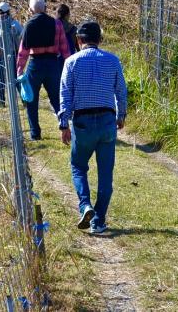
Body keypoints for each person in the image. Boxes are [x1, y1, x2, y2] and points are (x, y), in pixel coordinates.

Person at [58, 20, 127, 234]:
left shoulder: (71, 62)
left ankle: (85, 205)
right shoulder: (113, 60)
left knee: (78, 166)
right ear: (100, 40)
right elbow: (121, 91)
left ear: (78, 40)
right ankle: (99, 221)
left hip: (83, 122)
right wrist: (121, 115)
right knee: (106, 173)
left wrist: (63, 124)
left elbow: (65, 94)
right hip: (107, 121)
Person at [16, 0, 71, 140]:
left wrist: (20, 69)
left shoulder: (28, 25)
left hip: (35, 65)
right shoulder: (57, 24)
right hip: (53, 64)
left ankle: (35, 133)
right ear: (45, 8)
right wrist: (69, 65)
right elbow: (64, 47)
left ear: (30, 10)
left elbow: (23, 51)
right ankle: (64, 126)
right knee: (57, 98)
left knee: (31, 99)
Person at [0, 1, 24, 108]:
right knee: (2, 79)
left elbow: (22, 36)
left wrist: (19, 49)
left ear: (5, 12)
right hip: (2, 56)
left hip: (12, 54)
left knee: (15, 78)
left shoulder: (13, 24)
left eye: (0, 13)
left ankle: (23, 100)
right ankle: (2, 102)